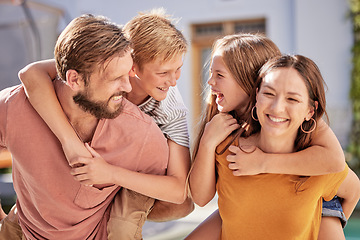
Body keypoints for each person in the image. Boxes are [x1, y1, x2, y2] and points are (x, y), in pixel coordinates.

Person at [16, 8, 193, 239]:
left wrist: (110, 174)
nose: (173, 81)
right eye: (163, 72)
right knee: (26, 219)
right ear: (132, 65)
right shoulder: (105, 66)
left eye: (178, 69)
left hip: (129, 175)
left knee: (121, 229)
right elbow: (31, 73)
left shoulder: (170, 109)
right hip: (86, 164)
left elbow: (180, 193)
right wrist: (69, 141)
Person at [187, 34, 355, 239]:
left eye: (220, 75)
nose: (210, 82)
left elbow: (337, 164)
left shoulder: (302, 128)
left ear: (246, 80)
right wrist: (207, 141)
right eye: (269, 93)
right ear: (257, 93)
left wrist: (317, 220)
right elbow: (203, 198)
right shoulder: (225, 134)